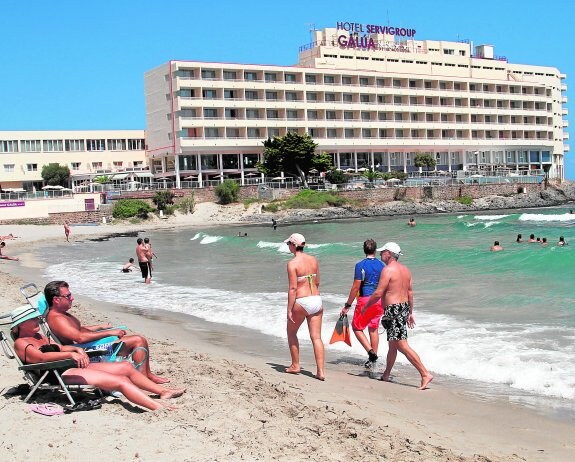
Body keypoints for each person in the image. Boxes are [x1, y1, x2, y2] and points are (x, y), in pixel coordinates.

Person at [11, 307, 185, 411]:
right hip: (57, 374)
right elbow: (41, 357)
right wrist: (70, 354)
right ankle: (158, 408)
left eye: (36, 317)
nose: (37, 320)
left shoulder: (39, 336)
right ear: (21, 324)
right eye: (32, 318)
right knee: (120, 381)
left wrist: (73, 350)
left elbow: (60, 347)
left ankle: (163, 392)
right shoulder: (21, 343)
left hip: (70, 365)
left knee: (125, 367)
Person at [45, 280, 169, 384]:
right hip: (85, 351)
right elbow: (79, 338)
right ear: (56, 300)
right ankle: (143, 379)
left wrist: (100, 327)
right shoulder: (57, 318)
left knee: (137, 339)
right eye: (68, 296)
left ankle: (147, 374)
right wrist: (109, 333)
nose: (72, 298)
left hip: (84, 346)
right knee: (138, 340)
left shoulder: (62, 314)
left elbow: (80, 330)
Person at [362, 242, 433, 390]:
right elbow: (410, 292)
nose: (381, 254)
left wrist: (366, 306)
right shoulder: (406, 270)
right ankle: (386, 374)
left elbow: (378, 292)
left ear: (389, 253)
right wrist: (410, 312)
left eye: (383, 252)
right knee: (393, 345)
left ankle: (425, 373)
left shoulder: (387, 270)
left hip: (394, 310)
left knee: (401, 345)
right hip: (403, 307)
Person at [284, 233, 325, 381]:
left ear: (294, 246)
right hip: (316, 299)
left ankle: (295, 365)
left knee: (291, 333)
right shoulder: (313, 260)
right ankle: (320, 371)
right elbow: (318, 281)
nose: (288, 246)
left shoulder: (292, 264)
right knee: (316, 337)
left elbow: (293, 289)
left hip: (302, 300)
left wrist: (289, 308)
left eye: (289, 244)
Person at [340, 239, 385, 369]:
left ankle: (371, 353)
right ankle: (373, 360)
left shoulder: (360, 265)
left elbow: (355, 287)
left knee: (357, 327)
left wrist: (347, 305)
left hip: (365, 299)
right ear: (375, 250)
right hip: (379, 300)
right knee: (373, 328)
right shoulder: (382, 265)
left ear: (364, 249)